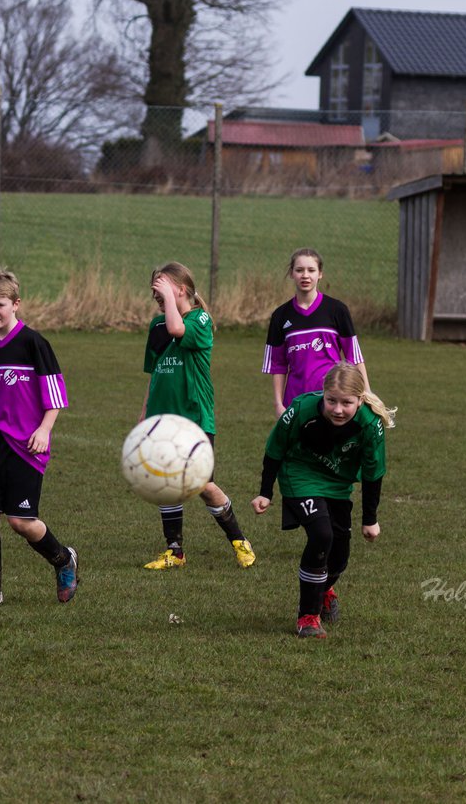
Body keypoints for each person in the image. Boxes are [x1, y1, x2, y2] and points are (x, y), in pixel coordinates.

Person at [250, 364, 393, 639]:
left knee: (339, 556)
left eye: (347, 403)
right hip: (300, 475)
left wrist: (370, 519)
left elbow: (374, 472)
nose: (338, 409)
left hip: (338, 484)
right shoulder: (301, 409)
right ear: (323, 395)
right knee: (321, 534)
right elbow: (275, 448)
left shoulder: (370, 423)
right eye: (332, 401)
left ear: (360, 400)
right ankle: (308, 617)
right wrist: (265, 492)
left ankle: (324, 589)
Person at [0, 269, 78, 606]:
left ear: (16, 304)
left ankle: (63, 559)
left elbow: (55, 395)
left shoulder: (34, 343)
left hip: (26, 445)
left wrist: (44, 429)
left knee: (21, 522)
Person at [140, 262, 255, 570]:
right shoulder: (156, 326)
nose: (156, 295)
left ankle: (239, 540)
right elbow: (154, 375)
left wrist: (169, 301)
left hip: (194, 417)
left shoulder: (200, 319)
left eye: (161, 288)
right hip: (162, 418)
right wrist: (144, 415)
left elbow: (178, 329)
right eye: (154, 290)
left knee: (201, 484)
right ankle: (174, 552)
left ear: (181, 289)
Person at [262, 248, 370, 418]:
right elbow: (278, 366)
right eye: (299, 270)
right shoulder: (280, 316)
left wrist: (366, 393)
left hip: (332, 399)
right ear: (291, 273)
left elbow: (354, 356)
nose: (305, 275)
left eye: (311, 270)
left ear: (320, 274)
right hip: (295, 400)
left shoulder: (337, 310)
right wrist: (278, 404)